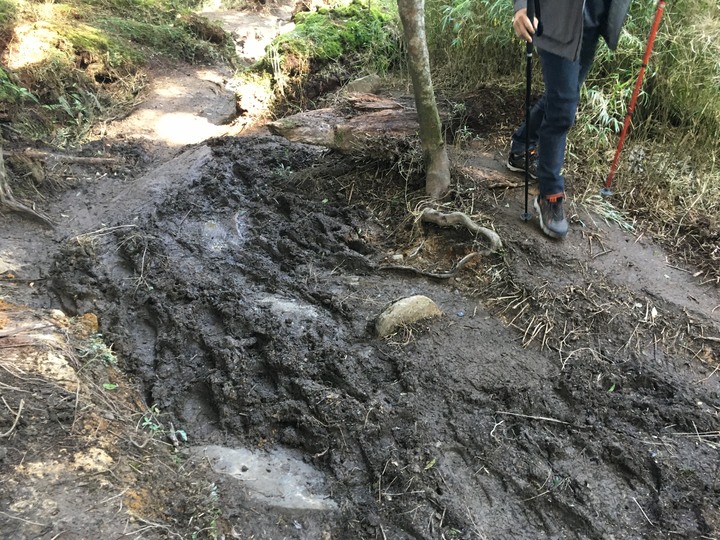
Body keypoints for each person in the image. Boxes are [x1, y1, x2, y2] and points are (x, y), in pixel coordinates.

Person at [508, 0, 631, 238]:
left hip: (594, 22)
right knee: (563, 110)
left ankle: (521, 147)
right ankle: (549, 193)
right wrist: (522, 6)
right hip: (555, 20)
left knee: (562, 98)